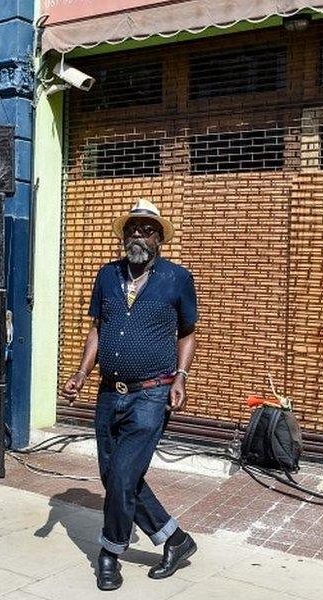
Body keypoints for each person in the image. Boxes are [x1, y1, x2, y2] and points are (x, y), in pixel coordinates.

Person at [62, 198, 198, 591]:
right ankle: (175, 539)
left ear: (159, 239)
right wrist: (82, 373)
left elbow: (187, 332)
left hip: (151, 393)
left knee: (122, 475)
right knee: (117, 477)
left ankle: (110, 553)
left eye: (147, 229)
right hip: (109, 393)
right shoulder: (107, 276)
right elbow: (98, 328)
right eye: (132, 229)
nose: (138, 235)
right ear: (124, 236)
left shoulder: (177, 278)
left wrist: (181, 377)